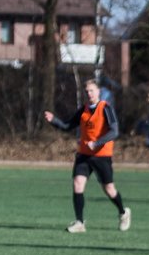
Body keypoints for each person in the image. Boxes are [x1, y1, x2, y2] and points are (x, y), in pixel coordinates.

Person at [45, 77, 131, 233]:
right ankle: (79, 222)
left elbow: (114, 131)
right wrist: (54, 121)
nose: (89, 94)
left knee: (109, 189)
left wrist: (97, 142)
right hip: (84, 155)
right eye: (87, 91)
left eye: (92, 90)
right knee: (77, 184)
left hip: (102, 156)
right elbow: (67, 126)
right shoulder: (83, 110)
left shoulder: (106, 108)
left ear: (98, 92)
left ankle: (123, 213)